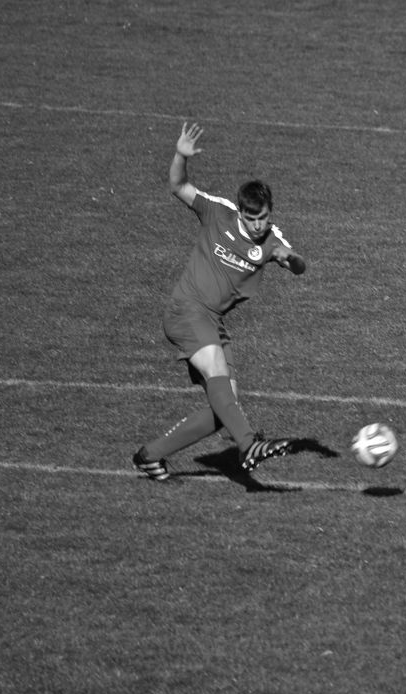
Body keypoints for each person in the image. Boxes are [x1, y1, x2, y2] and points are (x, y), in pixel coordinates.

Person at [132, 123, 307, 482]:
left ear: (270, 213)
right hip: (186, 310)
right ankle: (249, 445)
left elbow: (298, 265)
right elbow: (178, 186)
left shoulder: (272, 241)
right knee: (219, 380)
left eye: (263, 218)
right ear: (241, 213)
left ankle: (150, 456)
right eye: (251, 218)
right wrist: (180, 155)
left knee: (225, 406)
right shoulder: (218, 213)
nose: (258, 225)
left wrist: (292, 260)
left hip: (213, 321)